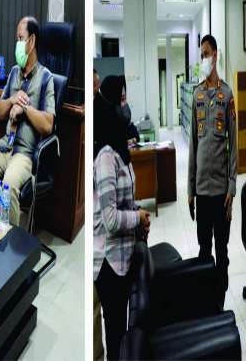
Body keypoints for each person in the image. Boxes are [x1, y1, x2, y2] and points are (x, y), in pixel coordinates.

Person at [0, 16, 55, 227]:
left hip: (25, 153)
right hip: (5, 145)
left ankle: (11, 239)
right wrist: (13, 99)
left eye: (20, 38)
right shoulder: (14, 73)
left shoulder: (46, 78)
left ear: (32, 41)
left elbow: (48, 125)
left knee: (8, 185)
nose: (17, 44)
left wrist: (25, 108)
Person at [94, 99, 151, 361]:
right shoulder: (106, 157)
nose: (126, 106)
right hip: (110, 262)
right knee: (116, 336)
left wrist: (139, 216)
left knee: (126, 332)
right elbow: (110, 219)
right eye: (121, 100)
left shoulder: (121, 153)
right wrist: (136, 217)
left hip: (124, 256)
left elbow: (125, 202)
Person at [187, 34, 236, 304]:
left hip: (221, 192)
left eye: (206, 54)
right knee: (204, 249)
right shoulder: (197, 95)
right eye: (201, 55)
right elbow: (193, 147)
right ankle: (206, 301)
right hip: (202, 191)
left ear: (216, 55)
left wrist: (232, 187)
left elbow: (234, 144)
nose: (203, 59)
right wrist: (189, 189)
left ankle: (221, 300)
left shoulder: (226, 95)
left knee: (222, 250)